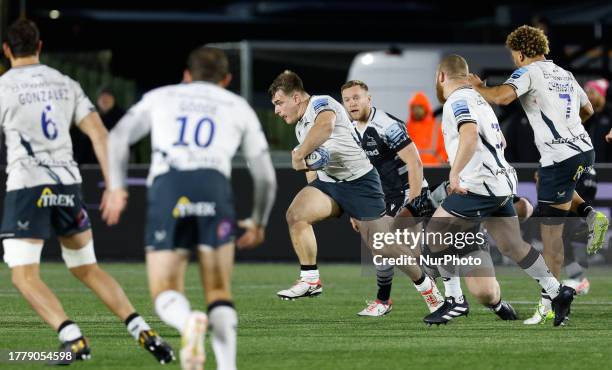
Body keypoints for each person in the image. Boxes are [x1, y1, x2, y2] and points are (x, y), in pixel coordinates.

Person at [0, 19, 173, 364]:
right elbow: (100, 135)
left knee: (23, 273)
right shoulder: (66, 83)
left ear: (6, 50)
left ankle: (72, 338)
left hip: (29, 185)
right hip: (68, 184)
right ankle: (142, 330)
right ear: (39, 46)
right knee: (86, 267)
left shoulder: (4, 86)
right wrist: (114, 185)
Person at [103, 46, 277, 370]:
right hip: (214, 185)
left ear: (186, 75)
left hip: (170, 186)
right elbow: (266, 176)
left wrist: (117, 187)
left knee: (165, 289)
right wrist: (258, 220)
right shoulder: (237, 106)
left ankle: (188, 324)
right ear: (226, 79)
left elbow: (117, 138)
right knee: (218, 289)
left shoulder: (162, 96)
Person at [467, 25, 608, 324]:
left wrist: (476, 87)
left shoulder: (527, 72)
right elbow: (588, 109)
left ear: (520, 53)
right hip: (583, 150)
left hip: (559, 156)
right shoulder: (564, 73)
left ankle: (549, 305)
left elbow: (503, 98)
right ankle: (589, 212)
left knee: (551, 239)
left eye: (513, 55)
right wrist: (571, 129)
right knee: (550, 187)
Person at [425, 54, 574, 327]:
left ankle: (455, 300)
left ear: (441, 77)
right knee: (511, 245)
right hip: (502, 182)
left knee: (434, 234)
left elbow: (469, 135)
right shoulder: (479, 99)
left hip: (479, 183)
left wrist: (455, 171)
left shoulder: (457, 100)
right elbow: (500, 139)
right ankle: (557, 291)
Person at [269, 70, 386, 300]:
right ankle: (310, 280)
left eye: (279, 103)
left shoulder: (320, 103)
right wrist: (313, 187)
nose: (276, 110)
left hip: (361, 183)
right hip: (331, 185)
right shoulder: (300, 126)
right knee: (296, 215)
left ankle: (430, 289)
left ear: (296, 98)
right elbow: (313, 168)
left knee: (385, 248)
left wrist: (299, 153)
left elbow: (326, 126)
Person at [341, 80, 444, 316]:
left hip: (407, 191)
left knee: (402, 252)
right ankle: (386, 301)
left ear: (369, 99)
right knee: (383, 248)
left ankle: (438, 296)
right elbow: (355, 171)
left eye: (357, 97)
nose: (352, 103)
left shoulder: (387, 125)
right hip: (380, 196)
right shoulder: (349, 129)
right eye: (347, 100)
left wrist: (414, 203)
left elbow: (414, 162)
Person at [72, 86, 126, 164]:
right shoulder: (90, 114)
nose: (105, 100)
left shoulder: (122, 117)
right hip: (90, 160)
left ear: (114, 100)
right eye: (102, 97)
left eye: (108, 97)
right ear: (98, 100)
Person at [406, 92, 448, 166]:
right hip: (414, 171)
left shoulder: (437, 127)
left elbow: (445, 149)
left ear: (426, 107)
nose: (416, 110)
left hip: (435, 170)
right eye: (414, 107)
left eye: (420, 107)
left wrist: (439, 165)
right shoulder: (406, 128)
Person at [583, 79, 612, 161]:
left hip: (608, 166)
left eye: (592, 93)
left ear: (601, 94)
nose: (589, 96)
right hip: (591, 164)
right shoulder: (588, 115)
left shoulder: (609, 113)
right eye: (587, 93)